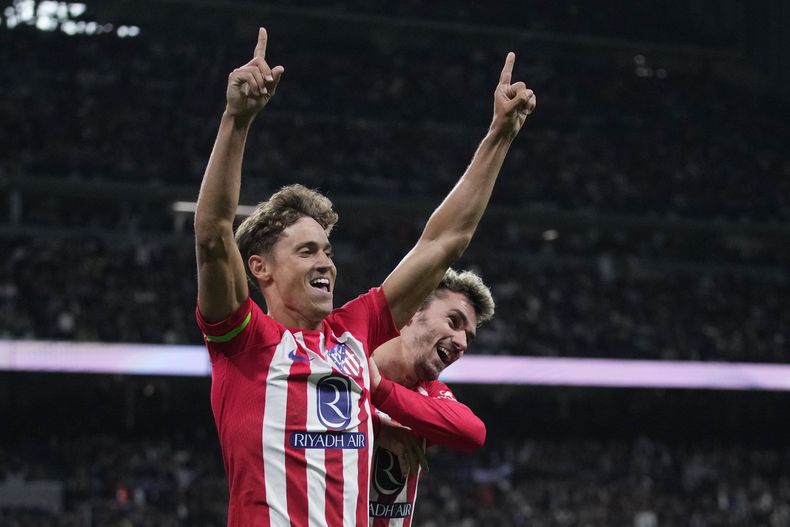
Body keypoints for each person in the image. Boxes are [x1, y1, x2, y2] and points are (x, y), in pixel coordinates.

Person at [193, 26, 535, 527]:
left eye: (328, 251)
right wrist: (237, 121)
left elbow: (444, 242)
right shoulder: (243, 341)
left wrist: (499, 136)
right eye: (307, 251)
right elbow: (212, 234)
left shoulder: (353, 333)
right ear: (260, 268)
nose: (326, 263)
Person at [367, 269, 494, 526]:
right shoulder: (346, 363)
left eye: (468, 337)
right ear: (412, 311)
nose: (462, 343)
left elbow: (473, 433)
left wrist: (380, 389)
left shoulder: (428, 390)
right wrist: (378, 426)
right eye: (453, 322)